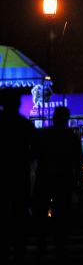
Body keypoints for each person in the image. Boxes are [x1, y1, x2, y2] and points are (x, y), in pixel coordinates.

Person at [0, 87, 38, 265]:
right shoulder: (25, 125)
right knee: (20, 213)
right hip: (19, 174)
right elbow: (37, 151)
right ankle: (19, 251)